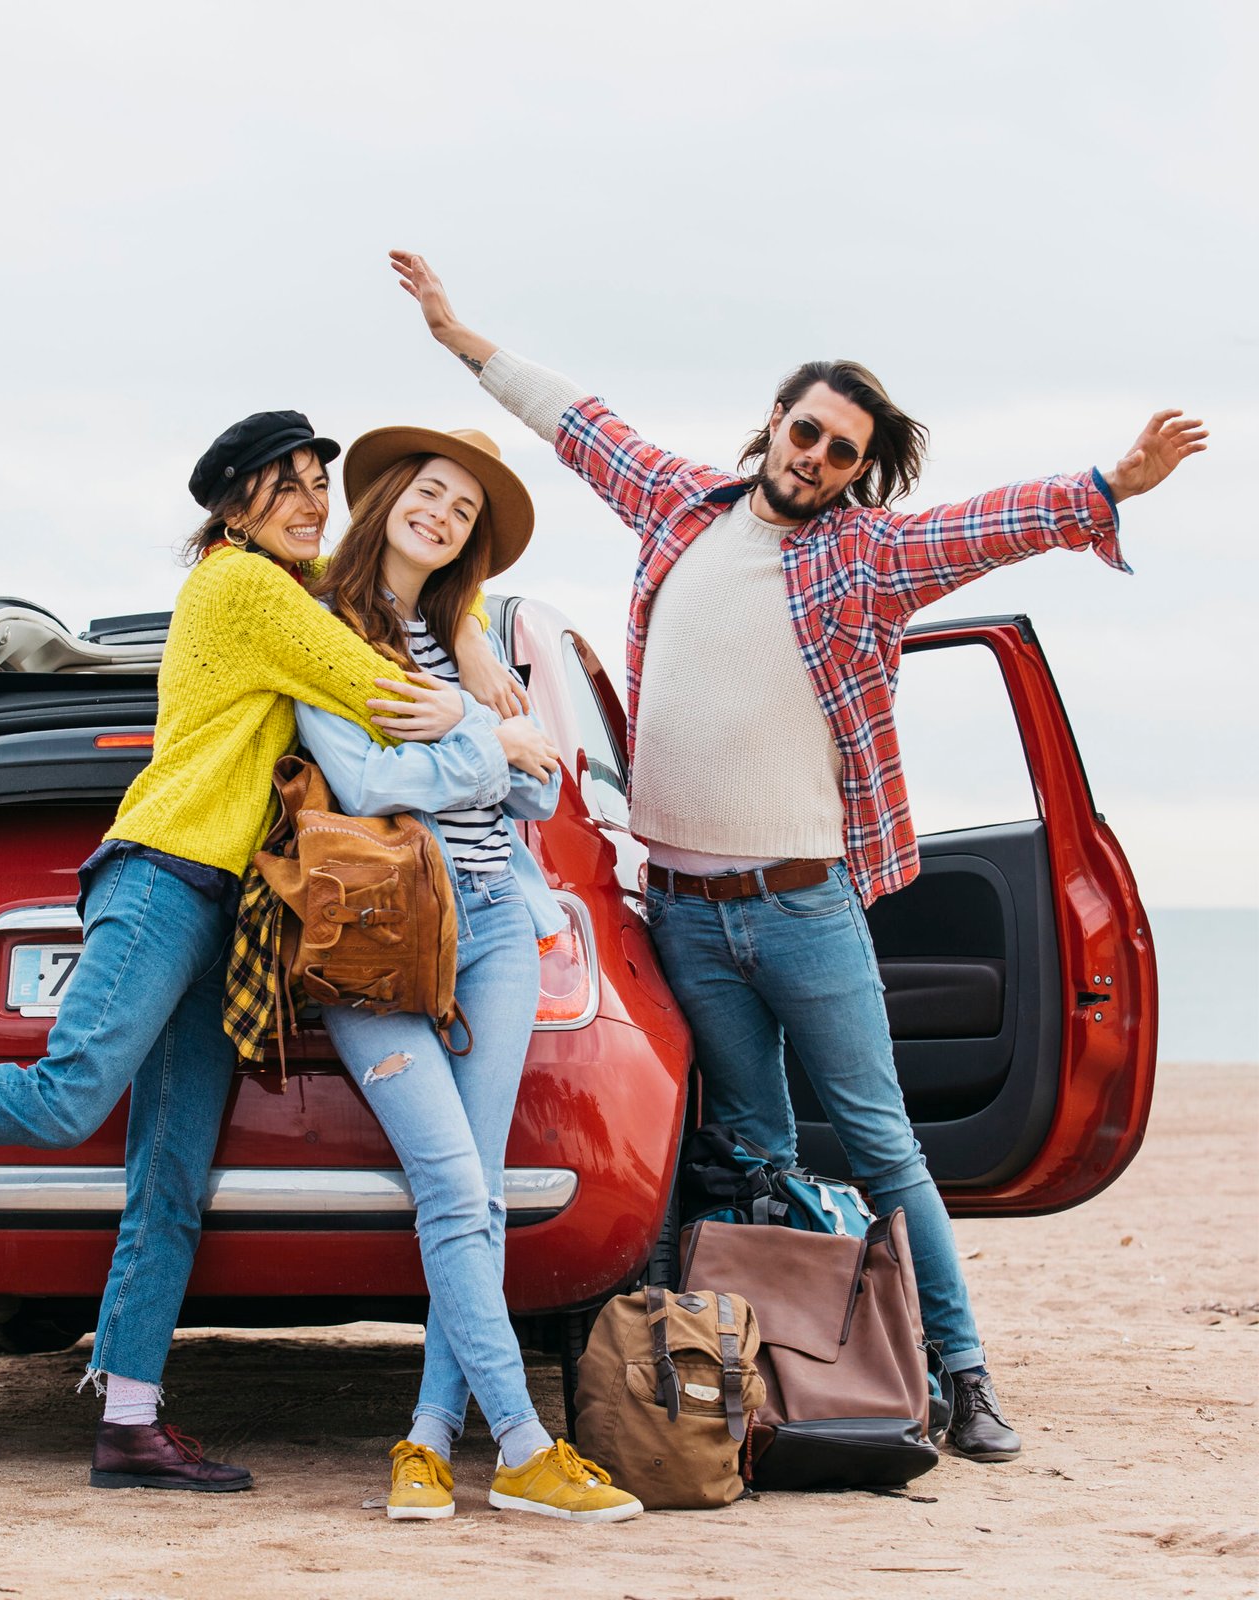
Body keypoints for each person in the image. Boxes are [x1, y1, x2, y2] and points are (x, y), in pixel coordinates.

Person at [388, 249, 1209, 1464]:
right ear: (774, 420)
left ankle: (964, 1373)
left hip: (803, 907)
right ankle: (766, 1383)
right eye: (807, 431)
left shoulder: (864, 556)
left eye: (841, 452)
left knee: (881, 1144)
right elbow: (577, 424)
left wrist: (1105, 485)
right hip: (685, 911)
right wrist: (460, 337)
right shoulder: (678, 507)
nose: (816, 457)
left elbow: (985, 525)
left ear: (856, 470)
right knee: (750, 1154)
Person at [0, 408, 515, 1491]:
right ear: (234, 506)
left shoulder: (290, 585)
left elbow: (399, 597)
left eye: (321, 483)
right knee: (67, 1094)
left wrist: (471, 628)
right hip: (164, 872)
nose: (314, 504)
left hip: (222, 910)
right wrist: (495, 726)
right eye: (289, 486)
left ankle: (129, 1421)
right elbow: (384, 692)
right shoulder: (245, 586)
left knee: (170, 1169)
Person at [279, 423, 642, 1523]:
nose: (440, 515)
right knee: (448, 1183)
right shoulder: (329, 632)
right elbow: (365, 779)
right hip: (378, 937)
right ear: (390, 493)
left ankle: (428, 1438)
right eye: (430, 491)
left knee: (475, 1197)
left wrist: (471, 721)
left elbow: (541, 789)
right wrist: (481, 740)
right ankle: (526, 1450)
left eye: (464, 510)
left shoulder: (466, 641)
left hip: (493, 926)